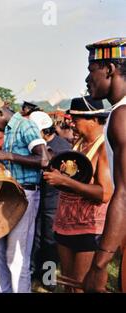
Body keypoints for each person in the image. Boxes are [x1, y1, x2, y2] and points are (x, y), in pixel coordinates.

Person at [0, 95, 50, 293]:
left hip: (25, 195)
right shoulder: (8, 130)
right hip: (8, 194)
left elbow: (43, 160)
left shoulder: (25, 126)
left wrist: (7, 156)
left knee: (16, 255)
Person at [44, 97, 113, 292]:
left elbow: (105, 193)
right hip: (65, 225)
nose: (71, 124)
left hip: (89, 229)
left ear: (92, 119)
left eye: (75, 119)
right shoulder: (79, 143)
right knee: (68, 285)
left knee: (82, 286)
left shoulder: (103, 148)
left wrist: (64, 181)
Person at [82, 38, 126, 292]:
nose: (88, 79)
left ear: (108, 69)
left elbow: (124, 191)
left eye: (91, 70)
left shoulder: (121, 115)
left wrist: (99, 264)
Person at [29, 111, 72, 287]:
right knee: (35, 237)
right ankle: (33, 271)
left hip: (54, 201)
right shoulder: (36, 144)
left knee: (49, 240)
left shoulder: (62, 148)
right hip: (38, 197)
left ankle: (47, 277)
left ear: (44, 132)